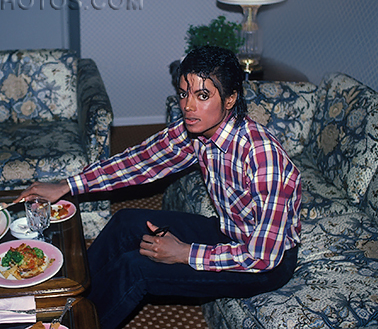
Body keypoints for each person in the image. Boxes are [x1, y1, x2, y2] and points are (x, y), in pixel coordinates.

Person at [17, 46, 302, 329]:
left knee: (135, 268)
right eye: (183, 93)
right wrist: (66, 186)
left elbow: (262, 256)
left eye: (203, 95)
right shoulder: (196, 130)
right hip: (228, 231)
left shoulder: (263, 158)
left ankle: (72, 326)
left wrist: (185, 253)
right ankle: (62, 297)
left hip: (265, 262)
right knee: (125, 222)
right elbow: (139, 161)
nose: (188, 106)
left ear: (230, 99)